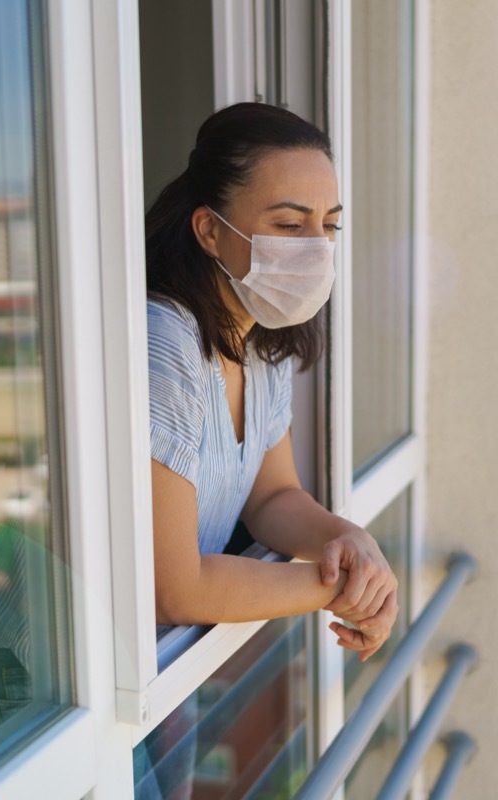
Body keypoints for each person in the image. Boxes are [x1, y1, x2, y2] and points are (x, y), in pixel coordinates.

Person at [137, 100, 400, 800]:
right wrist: (342, 587)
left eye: (329, 225)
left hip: (162, 660)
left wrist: (348, 540)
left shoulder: (260, 343)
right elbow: (178, 585)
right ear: (209, 231)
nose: (315, 246)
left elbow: (273, 496)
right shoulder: (162, 345)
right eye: (289, 224)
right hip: (54, 681)